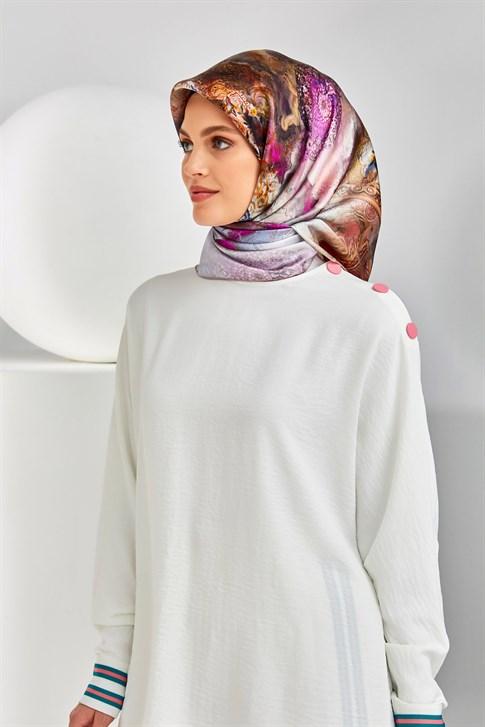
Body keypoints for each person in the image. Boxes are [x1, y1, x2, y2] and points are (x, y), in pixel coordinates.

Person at [69, 49, 450, 727]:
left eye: (220, 142)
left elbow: (400, 525)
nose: (192, 166)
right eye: (187, 143)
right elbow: (125, 499)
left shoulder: (364, 319)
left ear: (292, 152)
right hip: (175, 669)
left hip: (316, 675)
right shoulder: (155, 310)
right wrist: (110, 671)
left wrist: (416, 697)